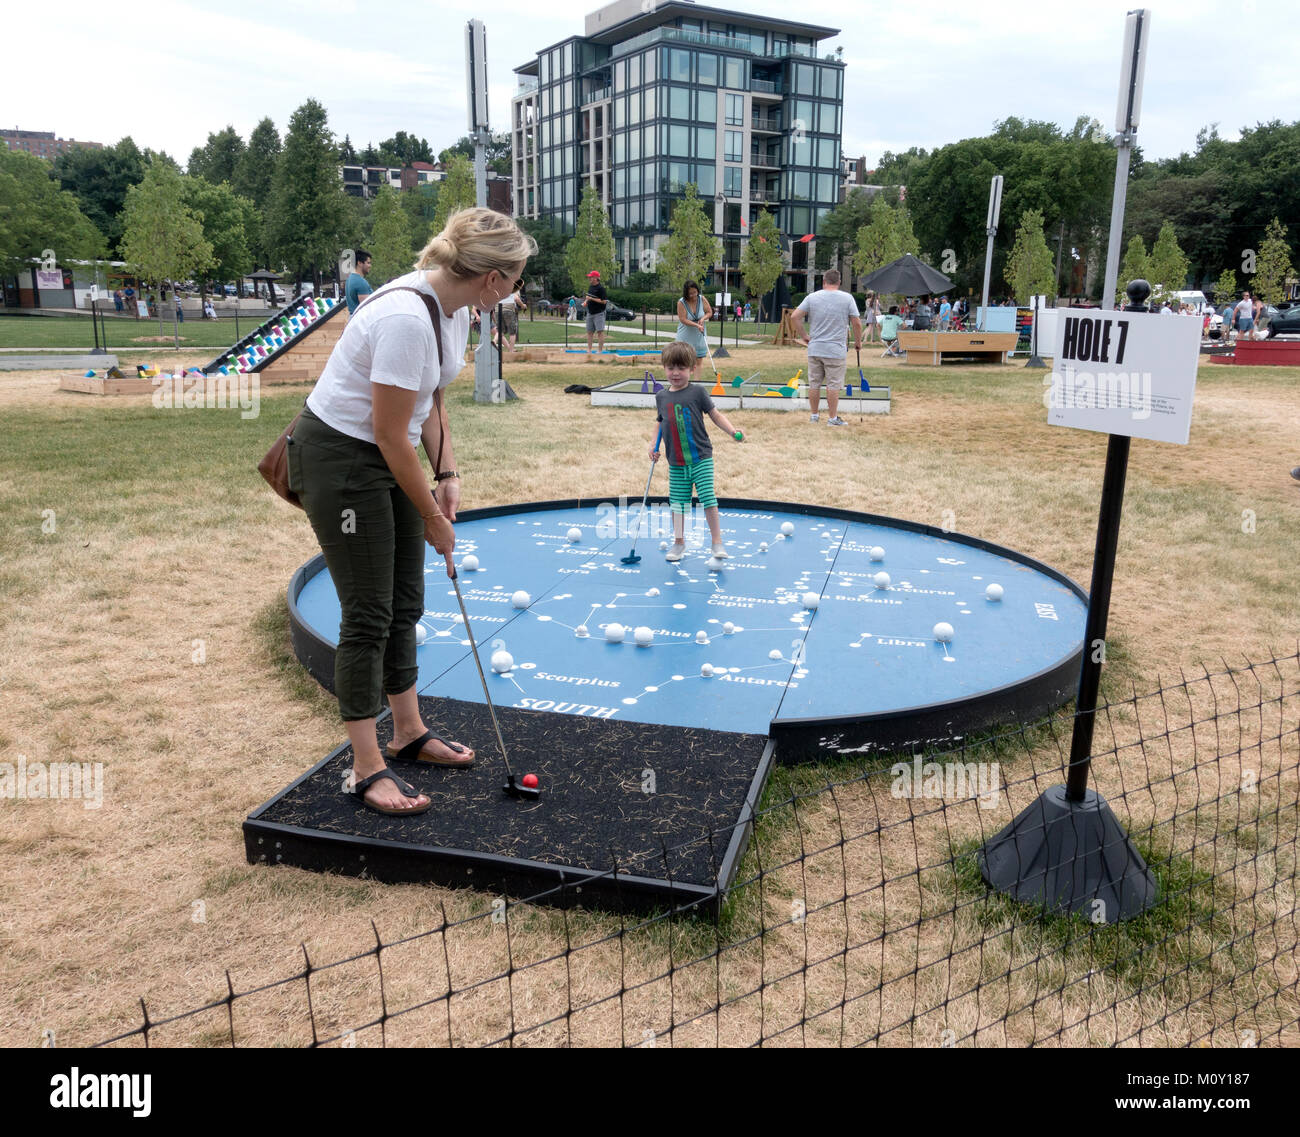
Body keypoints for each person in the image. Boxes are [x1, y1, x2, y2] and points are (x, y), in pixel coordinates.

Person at [286, 207, 536, 816]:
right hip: (343, 461)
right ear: (492, 278)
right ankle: (366, 768)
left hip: (385, 450)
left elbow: (433, 398)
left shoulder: (453, 310)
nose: (517, 292)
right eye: (518, 280)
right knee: (369, 610)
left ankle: (407, 731)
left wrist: (447, 475)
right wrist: (430, 514)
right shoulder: (403, 316)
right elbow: (391, 432)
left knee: (405, 600)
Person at [649, 341, 744, 563]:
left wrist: (732, 431)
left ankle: (717, 541)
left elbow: (715, 415)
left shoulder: (697, 392)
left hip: (701, 458)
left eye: (681, 368)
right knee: (678, 504)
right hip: (676, 461)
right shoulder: (661, 396)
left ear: (692, 369)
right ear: (664, 368)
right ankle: (679, 543)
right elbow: (660, 422)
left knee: (707, 498)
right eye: (671, 368)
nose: (675, 373)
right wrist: (653, 445)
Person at [788, 269, 863, 425]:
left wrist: (804, 335)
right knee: (833, 385)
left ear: (824, 281)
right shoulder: (847, 298)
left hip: (815, 348)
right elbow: (856, 323)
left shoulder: (812, 297)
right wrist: (858, 342)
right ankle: (832, 418)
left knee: (814, 383)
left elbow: (795, 316)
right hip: (835, 349)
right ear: (839, 282)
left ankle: (814, 416)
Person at [674, 280, 712, 380]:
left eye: (695, 292)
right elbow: (683, 319)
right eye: (690, 293)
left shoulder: (702, 299)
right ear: (686, 293)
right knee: (684, 361)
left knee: (698, 361)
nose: (693, 295)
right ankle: (683, 384)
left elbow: (709, 312)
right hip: (685, 335)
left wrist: (702, 319)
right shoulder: (681, 302)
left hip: (699, 335)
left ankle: (696, 384)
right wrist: (696, 325)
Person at [495, 282, 527, 351]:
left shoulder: (499, 286)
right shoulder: (512, 287)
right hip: (508, 309)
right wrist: (523, 306)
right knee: (512, 332)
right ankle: (511, 351)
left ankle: (494, 341)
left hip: (497, 309)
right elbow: (516, 299)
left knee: (500, 331)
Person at [583, 270, 608, 353]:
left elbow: (604, 301)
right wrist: (585, 302)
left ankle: (600, 351)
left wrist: (592, 299)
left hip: (599, 313)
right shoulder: (590, 287)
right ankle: (589, 350)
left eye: (591, 277)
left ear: (596, 278)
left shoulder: (601, 289)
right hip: (590, 313)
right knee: (589, 332)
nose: (589, 278)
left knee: (600, 332)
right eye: (589, 277)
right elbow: (588, 297)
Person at [345, 249, 374, 315]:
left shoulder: (349, 279)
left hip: (353, 318)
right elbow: (366, 309)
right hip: (361, 321)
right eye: (368, 263)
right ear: (359, 263)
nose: (370, 266)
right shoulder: (360, 282)